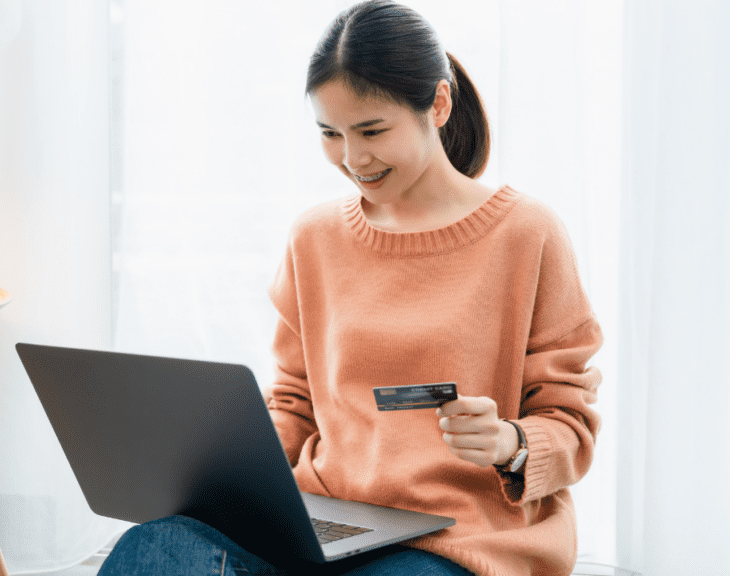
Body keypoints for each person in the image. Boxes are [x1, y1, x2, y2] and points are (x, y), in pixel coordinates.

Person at [98, 1, 602, 575]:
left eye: (371, 130)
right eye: (330, 133)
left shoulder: (527, 234)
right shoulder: (314, 237)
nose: (352, 158)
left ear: (437, 104)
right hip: (322, 521)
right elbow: (293, 401)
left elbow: (569, 422)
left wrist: (511, 443)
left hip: (457, 538)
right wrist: (231, 484)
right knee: (156, 547)